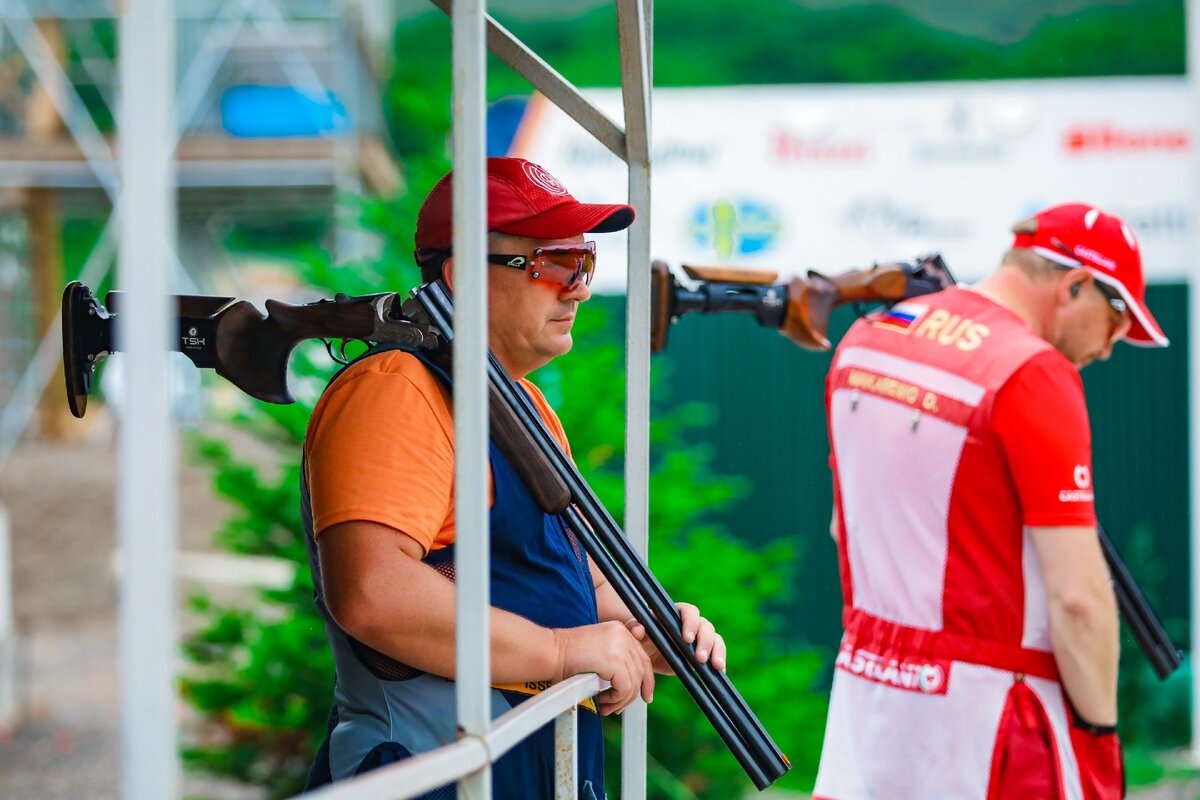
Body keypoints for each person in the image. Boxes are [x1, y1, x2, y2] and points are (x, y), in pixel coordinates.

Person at [300, 157, 726, 799]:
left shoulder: (519, 403)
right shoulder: (396, 390)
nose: (578, 288)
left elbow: (556, 573)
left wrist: (652, 629)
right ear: (463, 276)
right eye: (555, 263)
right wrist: (561, 652)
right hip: (429, 773)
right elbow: (372, 590)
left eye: (584, 265)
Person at [812, 203, 1167, 800]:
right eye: (1116, 321)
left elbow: (841, 528)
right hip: (992, 729)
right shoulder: (1033, 371)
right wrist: (1101, 735)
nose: (1111, 348)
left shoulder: (870, 336)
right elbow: (1079, 600)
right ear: (1074, 284)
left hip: (868, 710)